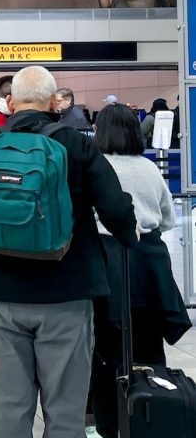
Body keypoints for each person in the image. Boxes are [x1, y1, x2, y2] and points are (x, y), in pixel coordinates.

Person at [0, 65, 138, 438]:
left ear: (9, 101)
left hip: (0, 293)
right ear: (55, 101)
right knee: (65, 409)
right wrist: (129, 238)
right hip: (67, 292)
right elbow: (117, 211)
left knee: (9, 403)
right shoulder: (76, 144)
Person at [88, 103, 191, 438]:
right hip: (149, 264)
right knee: (148, 345)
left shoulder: (95, 167)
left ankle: (107, 422)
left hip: (106, 260)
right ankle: (152, 412)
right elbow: (167, 218)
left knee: (105, 346)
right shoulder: (149, 169)